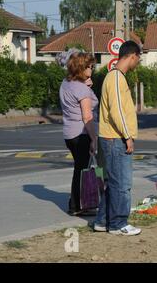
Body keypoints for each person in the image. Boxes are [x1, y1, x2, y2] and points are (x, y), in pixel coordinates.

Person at [93, 41, 142, 236]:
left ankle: (102, 221)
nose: (137, 63)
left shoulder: (115, 77)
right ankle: (118, 224)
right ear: (132, 56)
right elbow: (117, 111)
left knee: (113, 183)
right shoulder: (115, 78)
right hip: (116, 138)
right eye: (138, 58)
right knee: (122, 184)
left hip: (113, 137)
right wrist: (127, 136)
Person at [59, 52, 98, 216]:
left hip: (68, 133)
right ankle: (76, 206)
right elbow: (87, 116)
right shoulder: (82, 89)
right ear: (82, 68)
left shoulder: (66, 84)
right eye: (89, 67)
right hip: (81, 133)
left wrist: (88, 87)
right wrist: (94, 138)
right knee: (82, 170)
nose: (92, 69)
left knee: (80, 169)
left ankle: (80, 203)